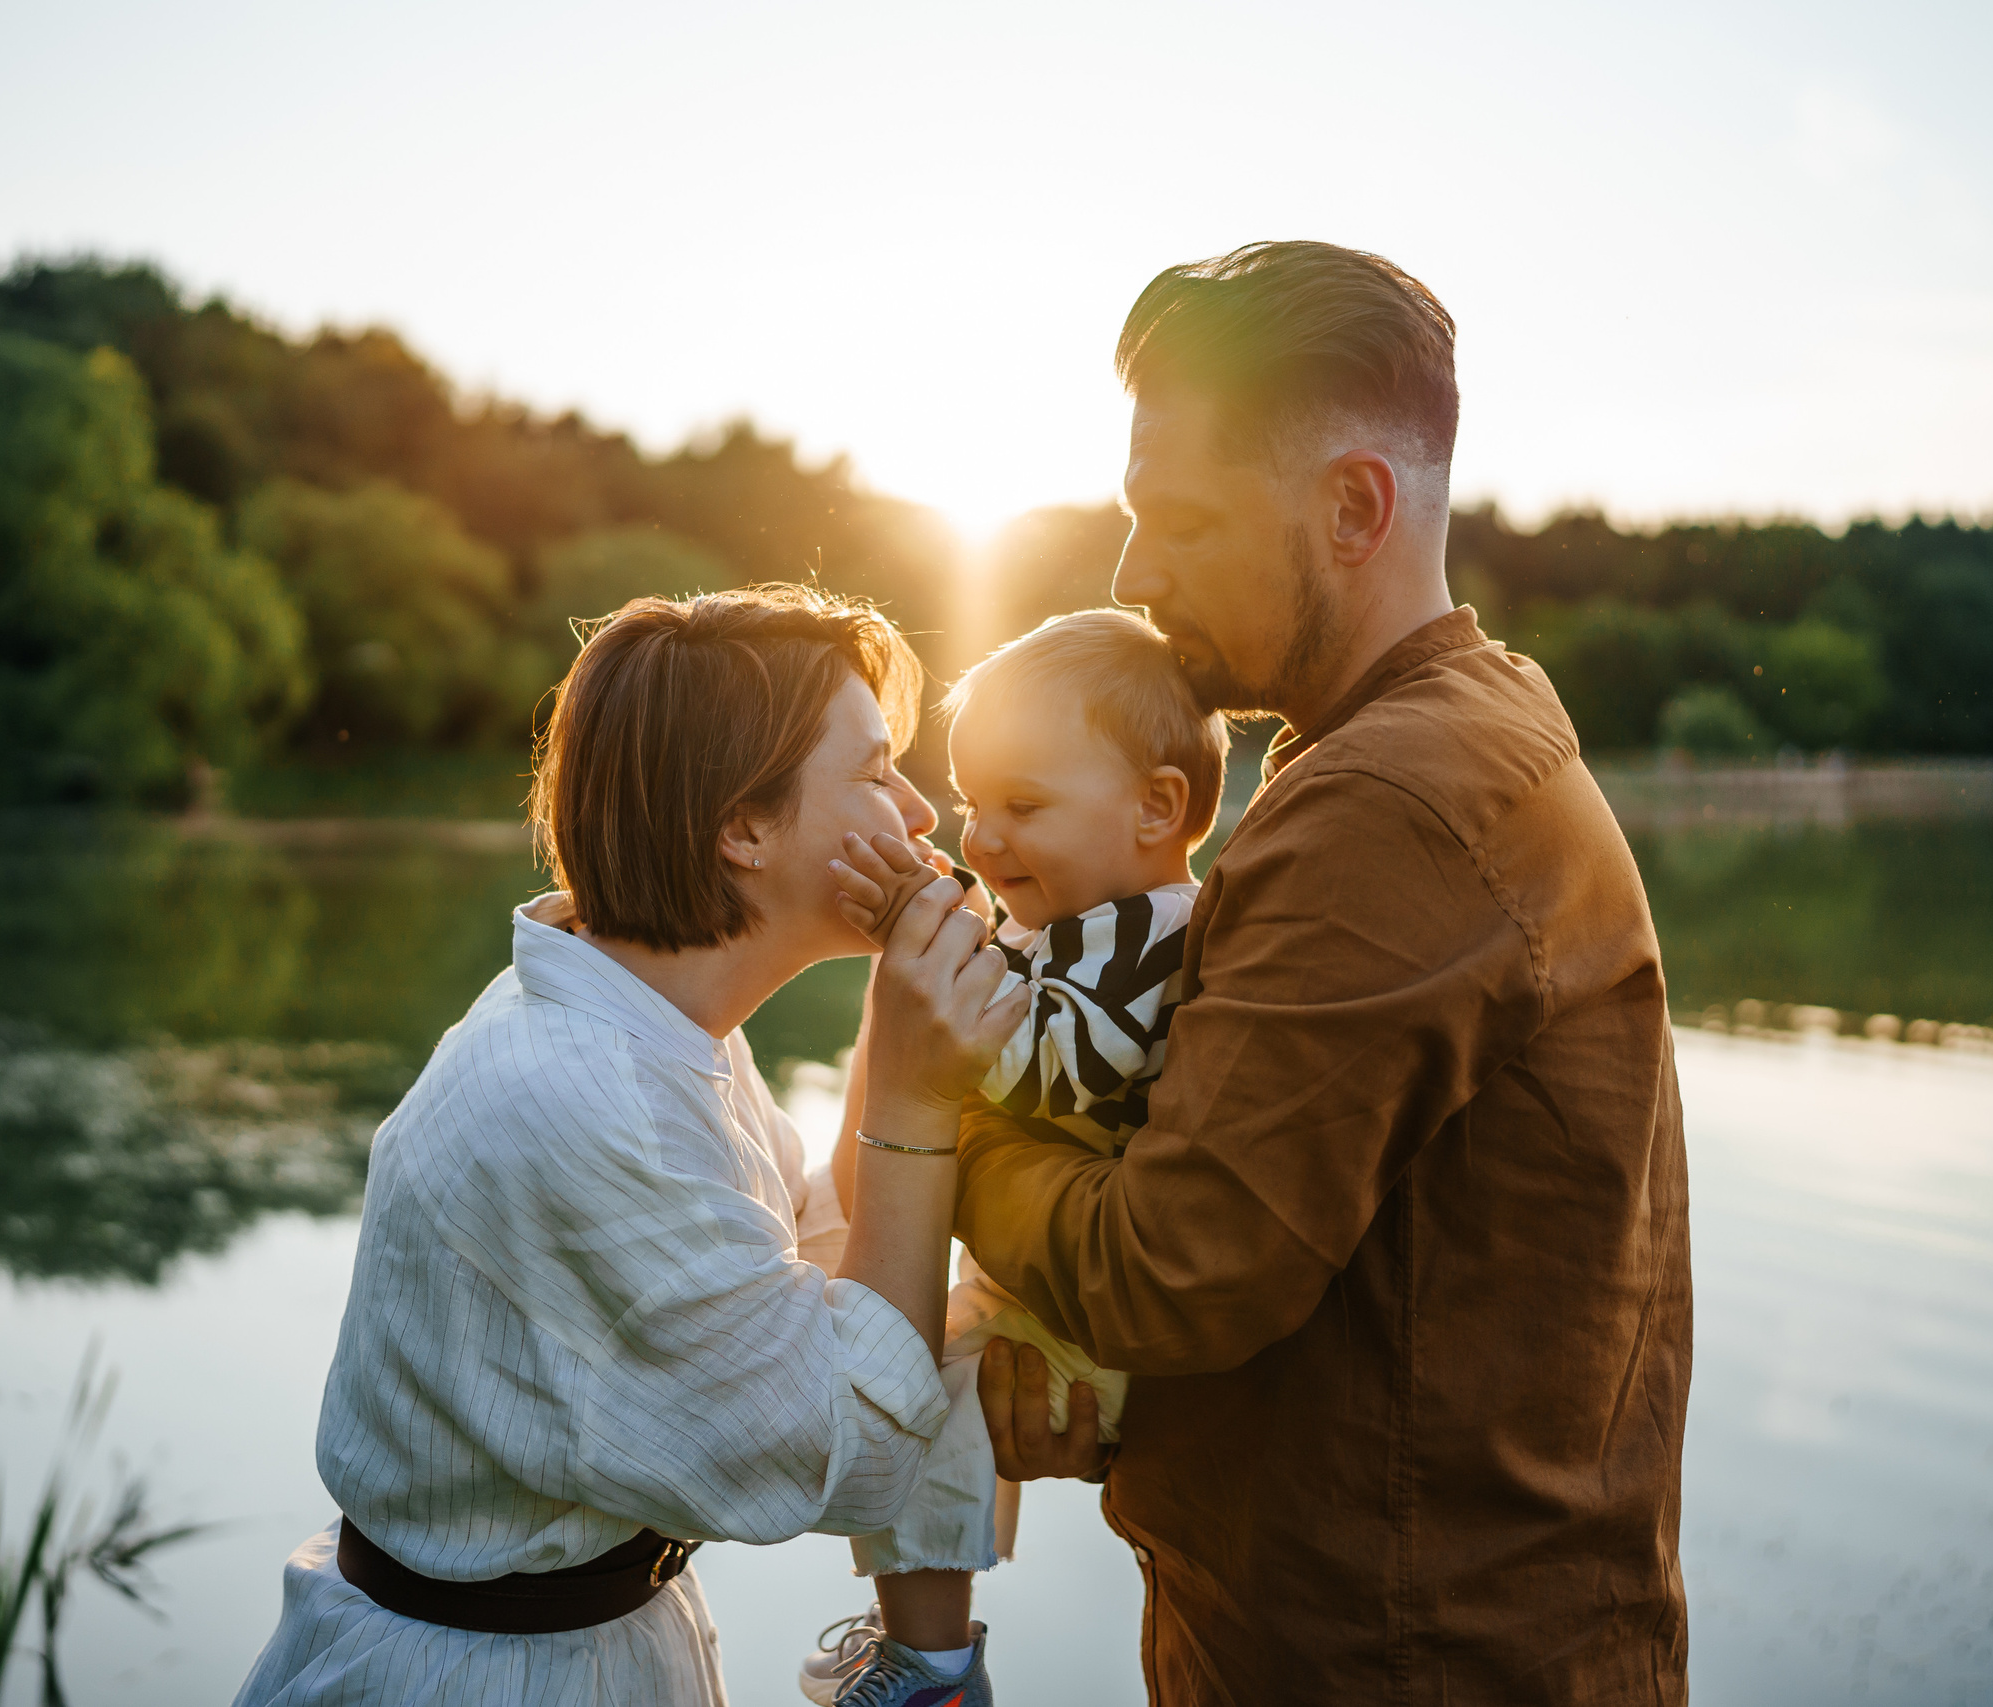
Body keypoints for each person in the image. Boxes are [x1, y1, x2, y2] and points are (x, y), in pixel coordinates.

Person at [893, 241, 1696, 1703]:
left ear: (1352, 507)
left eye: (1182, 519)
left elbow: (1167, 1268)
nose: (1136, 572)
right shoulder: (1449, 726)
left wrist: (955, 1133)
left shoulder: (1393, 800)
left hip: (1398, 1664)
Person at [231, 586, 1028, 1707]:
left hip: (585, 1641)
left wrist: (902, 1027)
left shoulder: (657, 1029)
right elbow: (855, 1449)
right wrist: (908, 1088)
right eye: (877, 770)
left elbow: (820, 1273)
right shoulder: (581, 1100)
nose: (920, 815)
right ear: (741, 827)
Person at [796, 609, 1230, 1705]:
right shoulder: (1078, 924)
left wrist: (923, 932)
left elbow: (1046, 1064)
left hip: (1092, 1323)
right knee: (884, 1330)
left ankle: (931, 1665)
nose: (980, 842)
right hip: (1043, 1279)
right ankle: (918, 1640)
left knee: (919, 1395)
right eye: (974, 805)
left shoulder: (1152, 932)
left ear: (1157, 807)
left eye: (1021, 808)